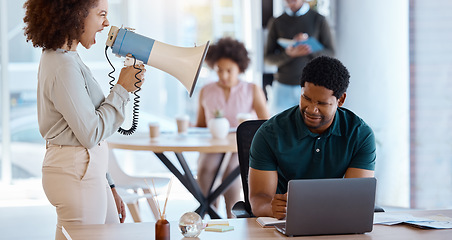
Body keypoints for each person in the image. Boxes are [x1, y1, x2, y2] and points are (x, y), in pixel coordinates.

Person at [23, 0, 145, 239]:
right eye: (101, 15)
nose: (106, 23)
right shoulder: (62, 65)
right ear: (76, 15)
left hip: (87, 173)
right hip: (77, 174)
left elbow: (88, 131)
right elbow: (90, 133)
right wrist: (121, 88)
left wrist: (108, 183)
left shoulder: (67, 58)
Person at [248, 56, 376, 219]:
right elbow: (258, 200)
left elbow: (356, 199)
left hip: (335, 223)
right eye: (306, 98)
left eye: (322, 103)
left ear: (340, 100)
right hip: (284, 223)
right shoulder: (269, 134)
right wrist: (270, 209)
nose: (311, 109)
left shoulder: (360, 135)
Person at [195, 37, 270, 218]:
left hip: (240, 145)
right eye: (219, 70)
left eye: (229, 70)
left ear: (240, 68)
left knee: (232, 173)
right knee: (205, 168)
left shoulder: (252, 89)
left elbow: (266, 123)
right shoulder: (206, 90)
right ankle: (210, 213)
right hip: (214, 144)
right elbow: (201, 125)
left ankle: (231, 217)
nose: (224, 76)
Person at [264, 0, 335, 115]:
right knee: (278, 127)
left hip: (312, 86)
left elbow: (330, 52)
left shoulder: (318, 19)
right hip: (283, 86)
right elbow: (268, 58)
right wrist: (288, 54)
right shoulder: (276, 22)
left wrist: (308, 48)